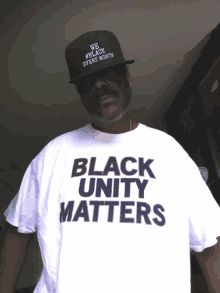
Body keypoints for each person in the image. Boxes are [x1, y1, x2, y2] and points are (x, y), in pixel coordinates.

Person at [1, 30, 220, 293]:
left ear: (128, 80)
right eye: (88, 81)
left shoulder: (168, 152)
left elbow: (208, 244)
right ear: (80, 94)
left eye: (109, 74)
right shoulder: (53, 154)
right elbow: (17, 228)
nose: (100, 85)